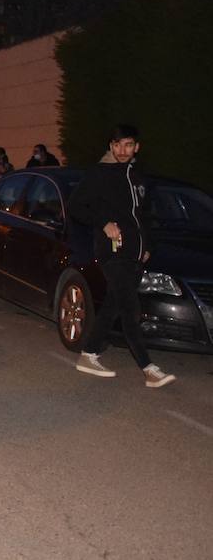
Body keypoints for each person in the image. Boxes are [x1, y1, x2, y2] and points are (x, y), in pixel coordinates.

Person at [70, 125, 175, 387]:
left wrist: (148, 245)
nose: (122, 150)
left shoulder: (139, 177)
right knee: (130, 309)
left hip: (136, 255)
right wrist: (104, 223)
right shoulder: (99, 174)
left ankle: (89, 353)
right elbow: (76, 206)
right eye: (117, 145)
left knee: (113, 306)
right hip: (112, 251)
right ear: (111, 146)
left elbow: (145, 216)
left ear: (136, 147)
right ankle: (148, 368)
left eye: (128, 145)